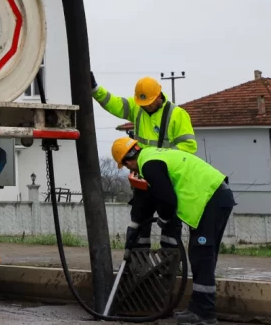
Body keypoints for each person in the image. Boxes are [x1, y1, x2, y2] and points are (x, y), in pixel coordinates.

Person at [112, 137, 236, 325]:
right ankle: (198, 309)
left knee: (202, 255)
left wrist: (163, 220)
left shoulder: (149, 165)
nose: (131, 170)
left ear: (128, 162)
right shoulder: (154, 155)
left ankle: (205, 314)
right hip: (214, 196)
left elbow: (167, 200)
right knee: (201, 255)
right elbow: (157, 197)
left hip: (211, 198)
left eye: (128, 167)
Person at [91, 72, 197, 250]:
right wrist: (95, 90)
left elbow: (189, 147)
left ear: (159, 96)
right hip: (143, 178)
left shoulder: (177, 115)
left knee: (170, 225)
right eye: (143, 103)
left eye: (149, 103)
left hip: (167, 180)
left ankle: (169, 260)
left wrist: (161, 159)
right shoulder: (137, 108)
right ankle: (138, 261)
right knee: (139, 222)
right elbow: (114, 103)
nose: (146, 107)